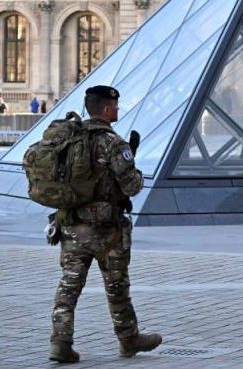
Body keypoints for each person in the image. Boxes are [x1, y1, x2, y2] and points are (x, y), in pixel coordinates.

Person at [48, 85, 162, 363]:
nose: (118, 109)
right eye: (116, 106)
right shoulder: (114, 143)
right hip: (107, 230)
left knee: (69, 286)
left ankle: (60, 343)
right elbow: (131, 186)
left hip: (72, 226)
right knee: (117, 286)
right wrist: (136, 172)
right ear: (107, 109)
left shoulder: (69, 139)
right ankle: (128, 339)